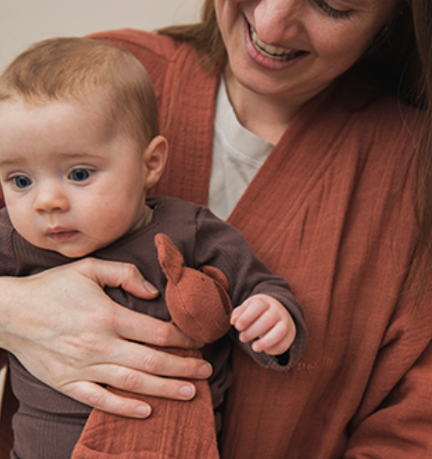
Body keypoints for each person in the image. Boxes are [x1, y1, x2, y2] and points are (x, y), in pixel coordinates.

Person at [0, 0, 432, 458]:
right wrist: (11, 310)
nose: (270, 23)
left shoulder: (428, 173)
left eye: (331, 5)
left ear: (395, 13)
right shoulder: (82, 89)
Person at [0, 36, 307, 459]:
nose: (45, 201)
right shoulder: (15, 239)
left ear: (151, 164)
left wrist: (272, 316)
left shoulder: (189, 230)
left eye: (80, 173)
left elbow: (259, 288)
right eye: (20, 180)